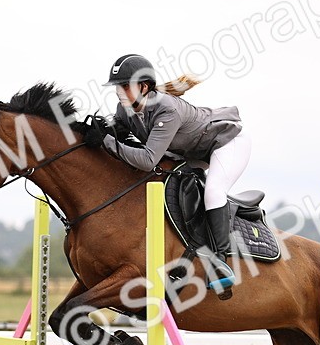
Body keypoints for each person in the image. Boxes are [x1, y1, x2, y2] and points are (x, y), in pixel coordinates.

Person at [84, 53, 251, 294]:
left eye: (124, 86)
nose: (119, 92)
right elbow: (119, 139)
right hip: (190, 152)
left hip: (227, 143)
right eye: (117, 87)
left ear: (143, 87)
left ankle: (221, 262)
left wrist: (107, 142)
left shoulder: (166, 109)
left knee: (213, 192)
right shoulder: (124, 109)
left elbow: (147, 159)